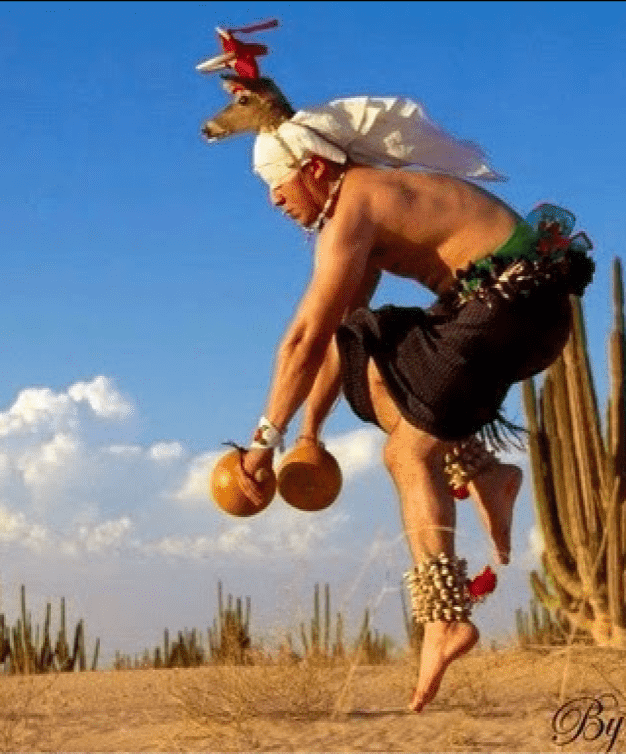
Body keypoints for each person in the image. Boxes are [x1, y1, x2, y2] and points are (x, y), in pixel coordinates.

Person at [227, 97, 594, 712]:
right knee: (370, 345)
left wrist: (264, 440)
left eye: (277, 183)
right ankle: (485, 471)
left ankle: (446, 617)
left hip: (508, 306)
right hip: (520, 309)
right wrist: (309, 435)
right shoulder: (368, 209)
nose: (273, 201)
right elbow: (343, 339)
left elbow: (302, 337)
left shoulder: (353, 207)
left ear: (315, 168)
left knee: (407, 454)